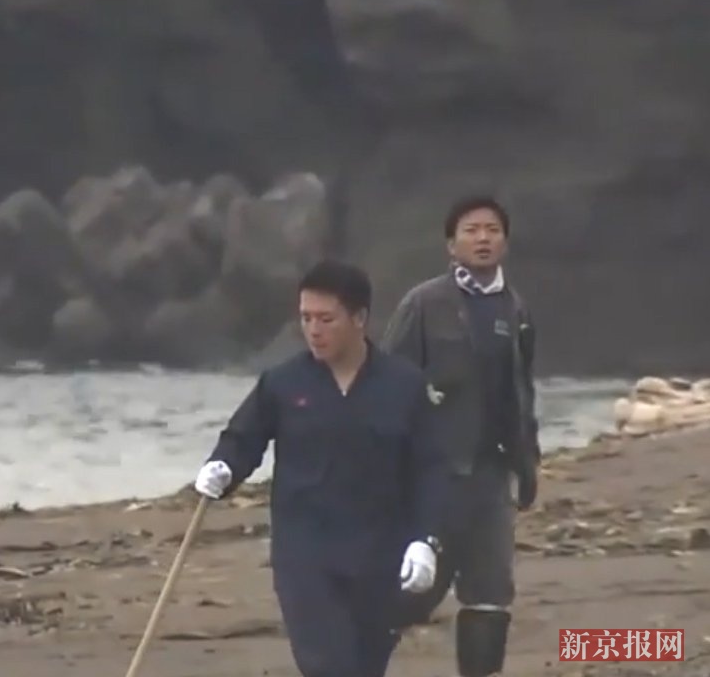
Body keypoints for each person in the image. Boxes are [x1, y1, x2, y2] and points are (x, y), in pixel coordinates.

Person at [193, 259, 447, 677]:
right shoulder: (283, 383)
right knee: (328, 664)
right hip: (305, 553)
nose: (314, 330)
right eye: (306, 318)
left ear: (359, 318)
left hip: (379, 554)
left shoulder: (404, 386)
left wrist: (426, 541)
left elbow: (432, 470)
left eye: (326, 319)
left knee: (365, 666)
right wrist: (222, 466)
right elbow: (244, 437)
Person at [381, 195, 540, 677]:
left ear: (505, 241)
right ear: (451, 245)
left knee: (490, 590)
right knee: (411, 588)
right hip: (434, 473)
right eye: (471, 231)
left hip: (491, 473)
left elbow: (522, 389)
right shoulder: (425, 303)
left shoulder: (515, 307)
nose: (482, 239)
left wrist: (527, 462)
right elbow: (388, 385)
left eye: (492, 230)